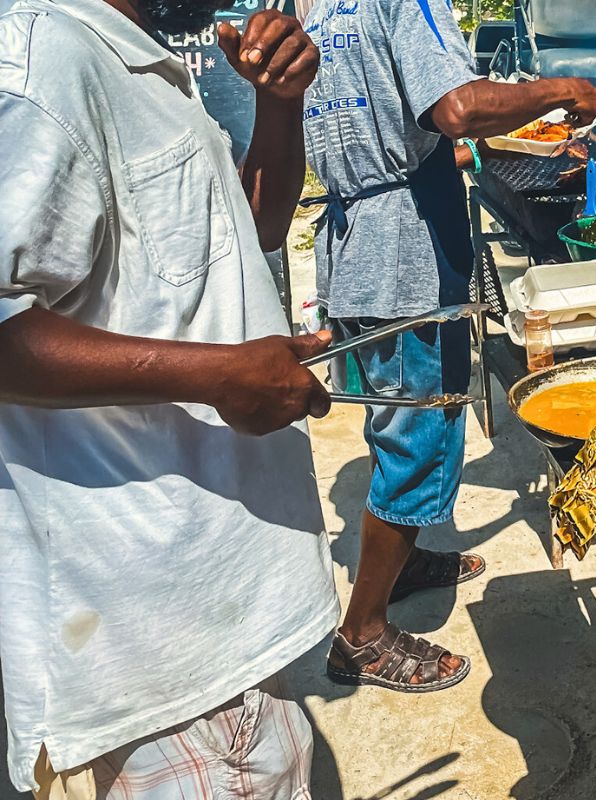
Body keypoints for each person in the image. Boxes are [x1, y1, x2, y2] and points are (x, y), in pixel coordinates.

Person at [0, 0, 339, 795]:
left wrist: (278, 104)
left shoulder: (136, 60)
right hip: (155, 629)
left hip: (218, 606)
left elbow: (252, 226)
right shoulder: (43, 60)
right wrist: (217, 375)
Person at [301, 0, 596, 692]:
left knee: (393, 420)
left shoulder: (318, 8)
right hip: (403, 248)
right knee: (419, 435)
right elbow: (459, 107)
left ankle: (400, 563)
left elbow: (398, 120)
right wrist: (564, 91)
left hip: (357, 237)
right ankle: (362, 636)